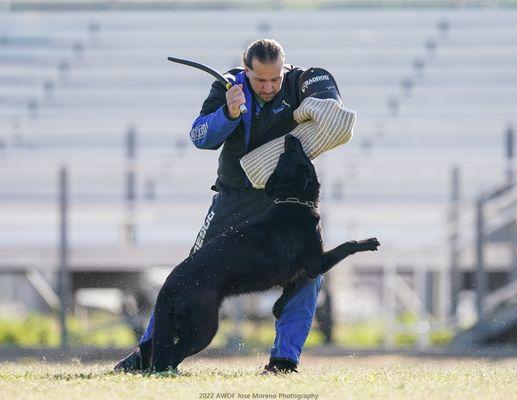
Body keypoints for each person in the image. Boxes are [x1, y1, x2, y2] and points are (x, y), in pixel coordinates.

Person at [116, 38, 327, 374]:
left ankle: (284, 361)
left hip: (286, 206)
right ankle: (147, 353)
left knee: (308, 275)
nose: (269, 87)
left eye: (276, 79)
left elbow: (334, 108)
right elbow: (200, 137)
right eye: (260, 80)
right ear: (246, 71)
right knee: (187, 276)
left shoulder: (302, 81)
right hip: (233, 201)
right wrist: (228, 113)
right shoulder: (226, 86)